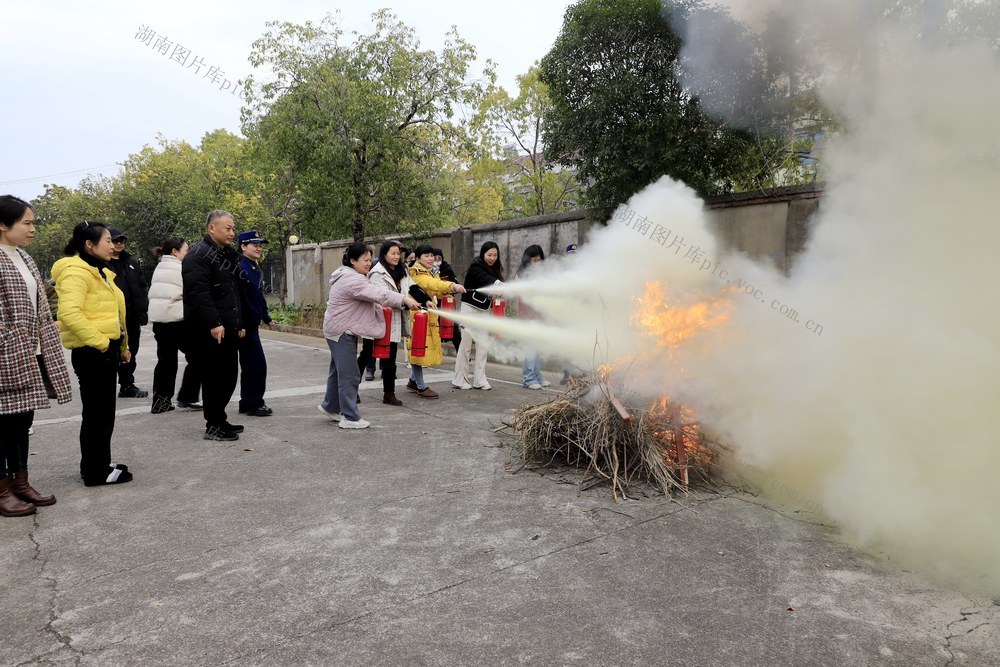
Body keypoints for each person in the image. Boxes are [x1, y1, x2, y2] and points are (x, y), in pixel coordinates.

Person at [0, 196, 73, 515]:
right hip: (8, 355)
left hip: (32, 352)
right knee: (2, 425)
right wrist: (14, 341)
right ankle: (2, 489)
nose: (33, 228)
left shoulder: (24, 258)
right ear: (3, 224)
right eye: (26, 222)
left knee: (22, 420)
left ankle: (21, 481)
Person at [53, 221, 134, 486]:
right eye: (108, 241)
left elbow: (111, 314)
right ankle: (95, 471)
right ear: (89, 245)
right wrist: (100, 342)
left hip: (105, 350)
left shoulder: (99, 271)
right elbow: (68, 314)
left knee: (102, 413)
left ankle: (98, 462)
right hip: (93, 352)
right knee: (97, 413)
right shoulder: (77, 273)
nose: (113, 246)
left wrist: (123, 346)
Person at [319, 242, 418, 429]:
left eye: (369, 259)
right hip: (342, 331)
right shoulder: (353, 280)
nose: (368, 263)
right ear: (352, 260)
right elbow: (380, 294)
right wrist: (403, 299)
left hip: (337, 329)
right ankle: (350, 417)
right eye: (364, 260)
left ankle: (330, 406)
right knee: (349, 375)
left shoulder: (349, 274)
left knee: (337, 372)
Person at [182, 210, 245, 441]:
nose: (232, 232)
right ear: (211, 228)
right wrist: (214, 322)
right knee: (214, 378)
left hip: (227, 327)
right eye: (227, 228)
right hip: (208, 330)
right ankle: (214, 424)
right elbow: (199, 293)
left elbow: (233, 293)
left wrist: (239, 323)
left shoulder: (225, 255)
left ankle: (220, 417)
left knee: (228, 376)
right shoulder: (198, 255)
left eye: (233, 228)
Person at [147, 237, 202, 413]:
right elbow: (191, 293)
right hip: (178, 321)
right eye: (186, 250)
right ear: (174, 251)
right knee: (199, 357)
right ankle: (188, 396)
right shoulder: (179, 267)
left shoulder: (161, 266)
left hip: (161, 322)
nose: (188, 253)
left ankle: (160, 401)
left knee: (166, 362)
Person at [406, 244, 466, 398]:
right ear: (418, 258)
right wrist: (452, 286)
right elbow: (430, 284)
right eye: (426, 255)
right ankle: (420, 386)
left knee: (423, 348)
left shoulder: (433, 272)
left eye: (432, 255)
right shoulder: (416, 273)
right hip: (416, 317)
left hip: (428, 316)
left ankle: (413, 381)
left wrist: (447, 292)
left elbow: (436, 290)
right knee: (417, 349)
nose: (430, 258)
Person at [358, 240, 412, 406]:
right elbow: (382, 297)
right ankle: (350, 389)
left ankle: (389, 393)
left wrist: (423, 299)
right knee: (366, 355)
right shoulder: (377, 273)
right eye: (393, 253)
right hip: (376, 320)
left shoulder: (403, 271)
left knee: (390, 359)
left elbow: (412, 287)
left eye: (398, 254)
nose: (396, 256)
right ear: (384, 254)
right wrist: (405, 301)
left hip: (393, 322)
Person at [452, 241, 504, 391]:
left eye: (495, 255)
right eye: (489, 255)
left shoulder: (496, 269)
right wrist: (497, 283)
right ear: (483, 254)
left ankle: (479, 380)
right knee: (466, 345)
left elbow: (495, 286)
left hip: (484, 311)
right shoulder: (477, 267)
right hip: (469, 309)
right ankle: (460, 379)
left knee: (483, 345)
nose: (492, 258)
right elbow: (484, 279)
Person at [108, 228, 150, 399]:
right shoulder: (102, 263)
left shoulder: (131, 262)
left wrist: (143, 309)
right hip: (112, 316)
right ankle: (109, 384)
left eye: (122, 241)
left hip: (132, 315)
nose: (119, 244)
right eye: (115, 240)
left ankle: (126, 384)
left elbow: (142, 286)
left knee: (131, 350)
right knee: (113, 351)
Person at [236, 230, 274, 417]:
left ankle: (248, 402)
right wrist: (240, 324)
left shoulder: (252, 267)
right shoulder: (241, 267)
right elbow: (238, 299)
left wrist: (266, 316)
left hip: (252, 325)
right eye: (255, 245)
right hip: (245, 327)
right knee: (256, 365)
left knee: (252, 365)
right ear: (243, 246)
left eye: (260, 245)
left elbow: (258, 295)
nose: (259, 248)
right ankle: (253, 403)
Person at [517, 244, 550, 390]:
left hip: (539, 317)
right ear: (527, 260)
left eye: (539, 260)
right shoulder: (521, 276)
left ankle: (537, 374)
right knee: (529, 347)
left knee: (537, 348)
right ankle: (528, 378)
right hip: (527, 318)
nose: (537, 263)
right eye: (533, 260)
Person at [434, 247, 463, 352]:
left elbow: (455, 284)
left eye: (439, 257)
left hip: (447, 306)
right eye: (435, 257)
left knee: (454, 328)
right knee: (434, 329)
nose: (437, 260)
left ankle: (461, 354)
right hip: (434, 305)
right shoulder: (428, 270)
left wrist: (451, 289)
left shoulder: (447, 268)